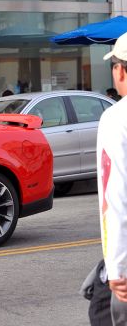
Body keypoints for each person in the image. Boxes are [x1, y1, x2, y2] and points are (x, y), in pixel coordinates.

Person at [90, 32, 127, 325]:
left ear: (120, 70)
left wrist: (117, 268)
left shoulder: (116, 119)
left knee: (102, 314)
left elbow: (115, 196)